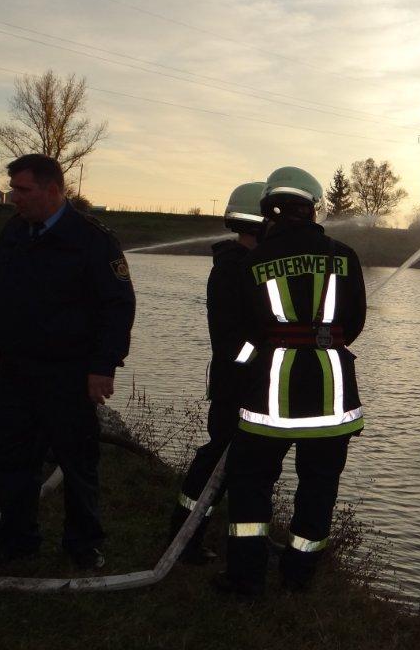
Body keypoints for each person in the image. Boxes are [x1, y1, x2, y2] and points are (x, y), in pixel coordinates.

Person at [0, 154, 135, 571]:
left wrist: (103, 367)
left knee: (77, 461)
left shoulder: (92, 239)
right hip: (15, 368)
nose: (14, 198)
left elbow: (117, 308)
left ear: (53, 190)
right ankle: (16, 541)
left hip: (69, 373)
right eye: (13, 189)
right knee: (9, 457)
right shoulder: (14, 231)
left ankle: (83, 545)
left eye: (22, 190)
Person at [216, 166, 367, 597]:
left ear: (268, 211)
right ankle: (298, 576)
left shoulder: (252, 262)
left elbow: (239, 335)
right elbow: (354, 323)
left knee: (250, 486)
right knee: (319, 489)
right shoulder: (344, 257)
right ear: (313, 208)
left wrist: (253, 364)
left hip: (269, 403)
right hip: (331, 402)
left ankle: (246, 579)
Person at [168, 181, 266, 563]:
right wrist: (263, 358)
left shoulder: (248, 266)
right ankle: (185, 536)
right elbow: (231, 344)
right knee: (217, 462)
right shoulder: (233, 269)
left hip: (247, 384)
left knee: (246, 467)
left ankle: (236, 543)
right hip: (236, 386)